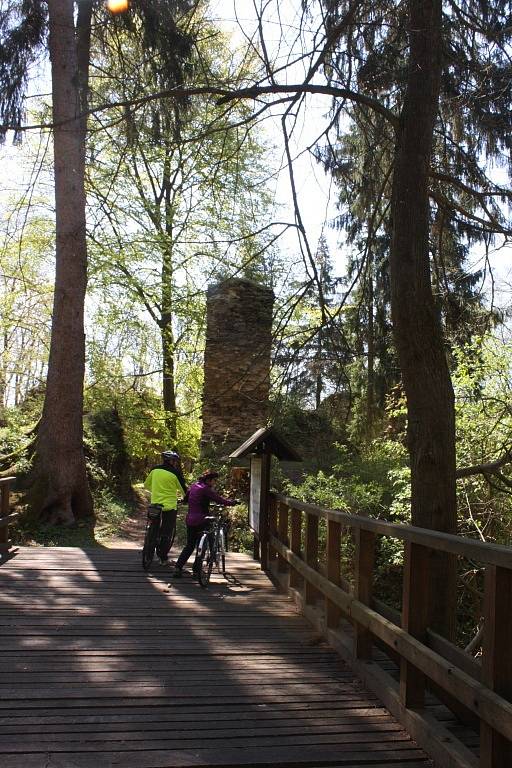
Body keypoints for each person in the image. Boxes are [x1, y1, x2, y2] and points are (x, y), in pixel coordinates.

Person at [173, 470, 236, 578]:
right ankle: (196, 571)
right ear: (208, 480)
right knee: (202, 546)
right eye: (214, 481)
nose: (214, 483)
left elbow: (186, 499)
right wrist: (232, 502)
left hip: (190, 520)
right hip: (202, 520)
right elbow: (219, 500)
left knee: (189, 545)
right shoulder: (206, 489)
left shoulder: (194, 486)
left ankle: (178, 567)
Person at [144, 450, 188, 564]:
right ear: (172, 461)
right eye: (175, 461)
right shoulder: (175, 473)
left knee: (153, 526)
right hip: (170, 506)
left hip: (155, 504)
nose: (176, 463)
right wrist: (185, 499)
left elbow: (146, 485)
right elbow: (184, 491)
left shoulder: (154, 470)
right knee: (166, 533)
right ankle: (163, 558)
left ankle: (148, 551)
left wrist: (157, 492)